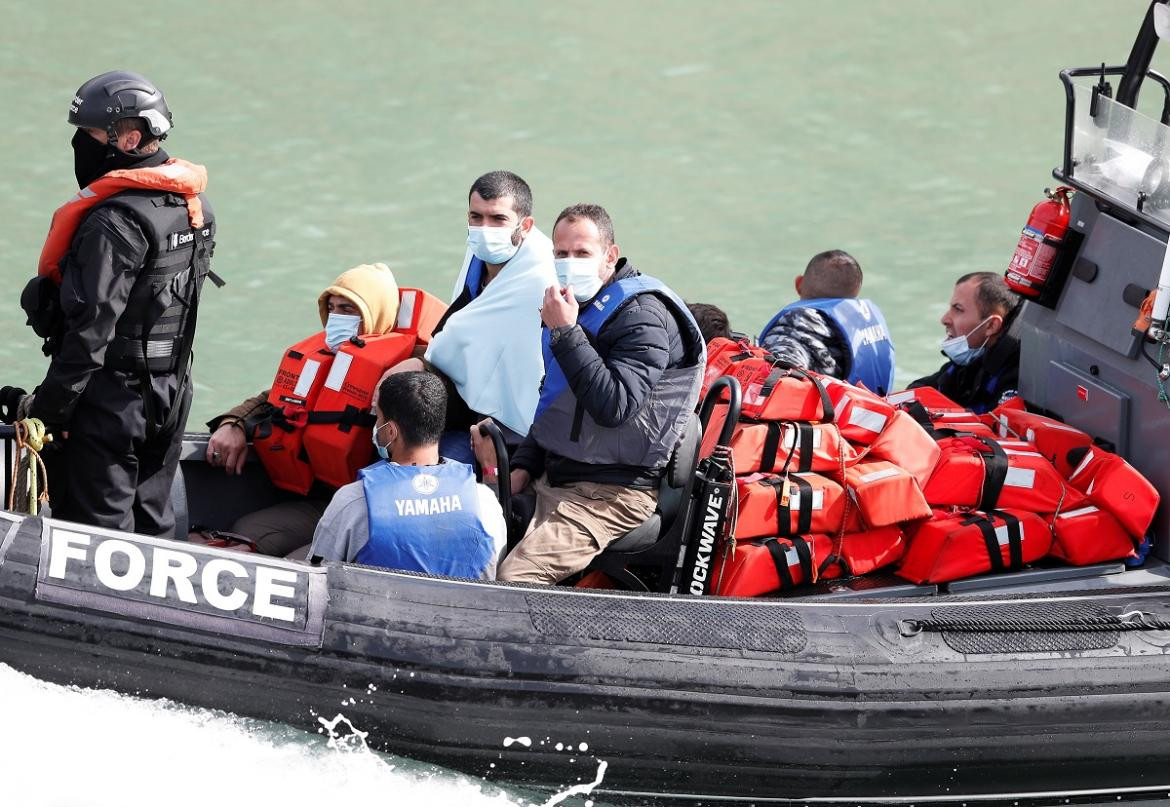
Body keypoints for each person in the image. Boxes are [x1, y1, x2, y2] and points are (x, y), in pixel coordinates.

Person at [20, 71, 215, 535]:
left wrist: (50, 411)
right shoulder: (195, 208)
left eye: (87, 135)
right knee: (154, 521)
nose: (79, 146)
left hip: (113, 401)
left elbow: (91, 331)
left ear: (128, 138)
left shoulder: (113, 223)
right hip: (172, 392)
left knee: (98, 535)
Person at [496, 203, 705, 585]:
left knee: (515, 577)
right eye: (561, 253)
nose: (568, 262)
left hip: (611, 493)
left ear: (609, 256)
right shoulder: (578, 307)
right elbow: (556, 398)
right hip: (559, 473)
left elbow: (615, 405)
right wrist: (523, 463)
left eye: (582, 253)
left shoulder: (643, 315)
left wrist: (564, 333)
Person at [204, 263, 401, 556]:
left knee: (300, 564)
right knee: (243, 536)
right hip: (322, 500)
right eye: (331, 308)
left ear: (376, 314)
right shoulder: (328, 359)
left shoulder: (402, 373)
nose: (336, 318)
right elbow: (270, 400)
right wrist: (233, 423)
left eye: (349, 310)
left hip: (372, 510)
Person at [398, 171, 555, 462]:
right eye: (476, 217)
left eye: (498, 219)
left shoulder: (541, 275)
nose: (485, 228)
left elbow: (459, 336)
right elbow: (465, 325)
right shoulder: (476, 254)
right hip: (470, 382)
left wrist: (421, 360)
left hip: (515, 417)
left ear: (526, 225)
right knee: (398, 382)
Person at [308, 372, 507, 578]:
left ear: (391, 431)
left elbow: (315, 576)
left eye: (379, 419)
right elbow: (494, 567)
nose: (376, 427)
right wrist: (490, 468)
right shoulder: (484, 501)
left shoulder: (354, 502)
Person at [758, 250, 896, 394]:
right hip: (872, 411)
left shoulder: (800, 322)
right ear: (856, 289)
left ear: (799, 284)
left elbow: (776, 378)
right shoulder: (866, 322)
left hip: (829, 414)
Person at [910, 271, 1021, 413]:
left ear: (991, 325)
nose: (944, 319)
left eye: (958, 309)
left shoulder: (1016, 379)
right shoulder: (971, 361)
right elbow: (926, 387)